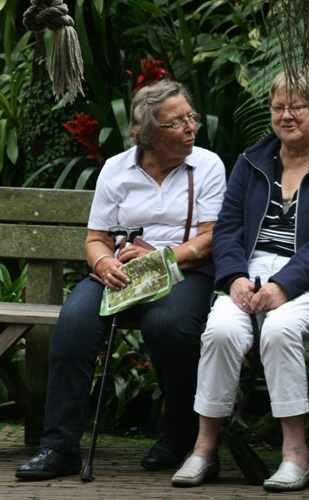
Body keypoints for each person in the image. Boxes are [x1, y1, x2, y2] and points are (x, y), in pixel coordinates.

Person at [16, 80, 227, 480]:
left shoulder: (208, 165)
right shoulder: (117, 169)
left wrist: (161, 257)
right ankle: (59, 447)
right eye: (176, 122)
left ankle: (180, 435)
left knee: (169, 326)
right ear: (149, 134)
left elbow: (210, 238)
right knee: (74, 324)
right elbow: (96, 239)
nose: (190, 128)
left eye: (190, 117)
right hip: (120, 273)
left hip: (182, 272)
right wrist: (102, 266)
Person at [171, 68, 309, 491]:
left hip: (308, 279)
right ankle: (204, 449)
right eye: (279, 107)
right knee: (220, 330)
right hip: (248, 271)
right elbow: (227, 229)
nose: (286, 115)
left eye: (296, 106)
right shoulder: (250, 162)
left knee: (279, 331)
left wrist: (285, 284)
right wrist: (235, 277)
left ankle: (296, 454)